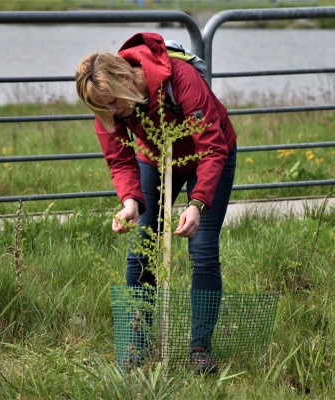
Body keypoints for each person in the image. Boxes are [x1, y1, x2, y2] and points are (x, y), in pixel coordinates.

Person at [75, 32, 237, 374]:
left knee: (203, 248)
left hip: (209, 153)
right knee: (142, 247)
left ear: (125, 80)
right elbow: (120, 160)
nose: (111, 115)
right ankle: (138, 343)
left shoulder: (181, 79)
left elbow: (212, 146)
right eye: (102, 109)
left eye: (114, 105)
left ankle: (200, 350)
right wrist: (131, 201)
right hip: (155, 158)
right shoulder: (106, 107)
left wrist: (197, 204)